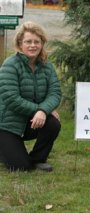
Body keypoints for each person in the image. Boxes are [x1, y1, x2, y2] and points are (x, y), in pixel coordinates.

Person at [0, 21, 61, 172]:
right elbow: (11, 98)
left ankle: (38, 159)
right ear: (20, 44)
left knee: (53, 123)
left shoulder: (48, 66)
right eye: (28, 41)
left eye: (37, 42)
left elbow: (55, 93)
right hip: (7, 124)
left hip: (30, 121)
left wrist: (43, 111)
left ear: (42, 44)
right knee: (21, 167)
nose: (32, 45)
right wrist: (40, 110)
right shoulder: (10, 65)